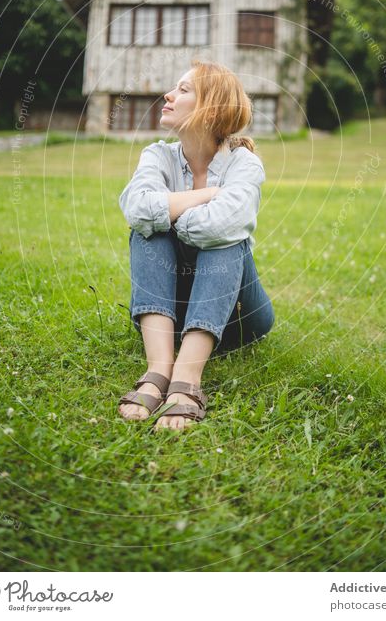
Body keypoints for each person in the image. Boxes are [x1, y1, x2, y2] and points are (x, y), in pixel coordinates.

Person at [118, 60, 275, 431]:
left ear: (211, 108)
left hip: (239, 316)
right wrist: (208, 194)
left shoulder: (244, 163)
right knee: (147, 231)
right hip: (171, 313)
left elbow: (223, 225)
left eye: (184, 90)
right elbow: (135, 210)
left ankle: (187, 381)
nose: (168, 96)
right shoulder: (157, 155)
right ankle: (158, 369)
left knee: (223, 239)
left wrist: (169, 212)